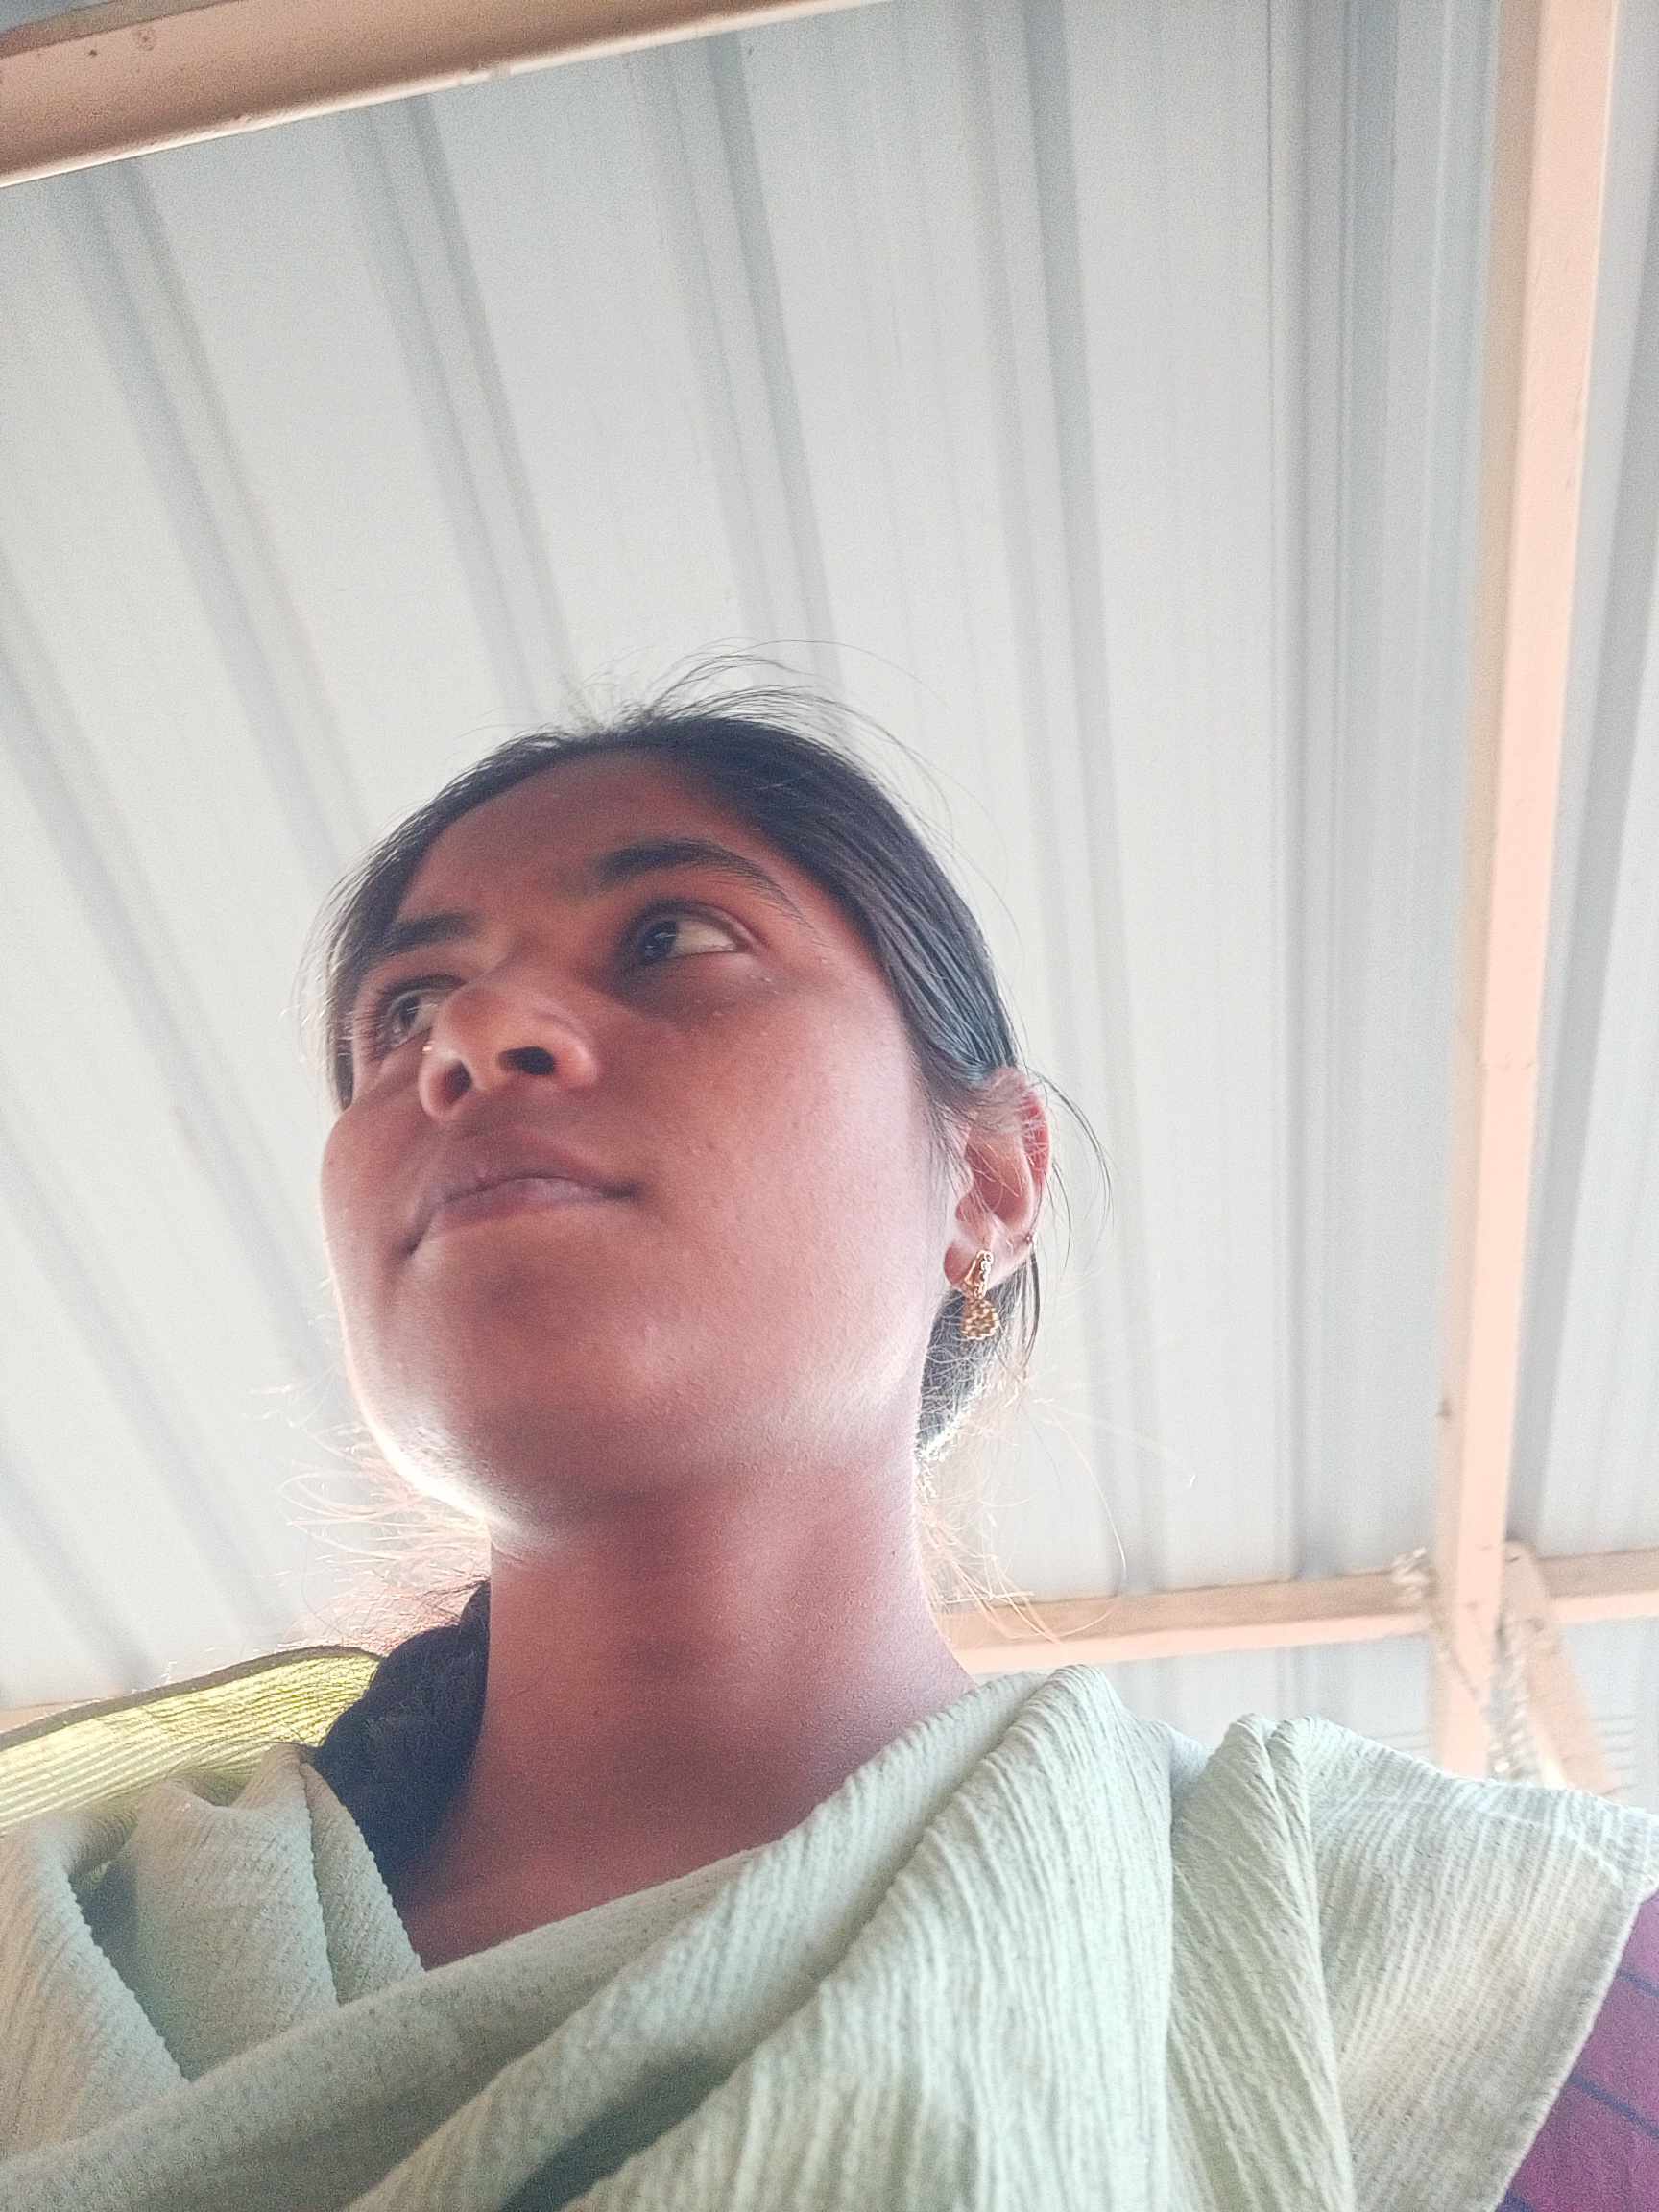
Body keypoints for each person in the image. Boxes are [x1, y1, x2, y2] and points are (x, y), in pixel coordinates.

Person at [2, 672, 1656, 2209]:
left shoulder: (1521, 1991)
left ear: (989, 1180)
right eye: (404, 1008)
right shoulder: (47, 1956)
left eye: (670, 936)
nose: (472, 1038)